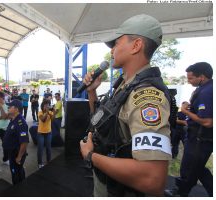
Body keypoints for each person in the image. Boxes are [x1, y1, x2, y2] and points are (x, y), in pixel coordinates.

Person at [80, 14, 174, 196]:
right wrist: (91, 91)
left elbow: (153, 178)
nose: (112, 50)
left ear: (136, 45)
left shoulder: (146, 96)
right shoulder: (126, 84)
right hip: (109, 183)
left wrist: (91, 156)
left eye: (116, 43)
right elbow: (103, 121)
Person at [164, 62, 213, 197]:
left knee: (188, 166)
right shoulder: (205, 89)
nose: (188, 81)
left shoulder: (207, 92)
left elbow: (208, 122)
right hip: (198, 137)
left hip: (200, 138)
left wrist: (185, 111)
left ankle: (181, 192)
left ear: (201, 77)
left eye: (191, 78)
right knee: (198, 168)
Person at [3, 100, 29, 185]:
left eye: (10, 107)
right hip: (12, 152)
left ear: (16, 109)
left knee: (16, 173)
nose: (8, 107)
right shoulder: (13, 119)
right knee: (16, 171)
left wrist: (19, 156)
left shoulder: (21, 123)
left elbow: (24, 142)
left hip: (16, 153)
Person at [37, 99, 54, 169]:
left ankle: (49, 161)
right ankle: (40, 163)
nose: (47, 106)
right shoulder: (40, 112)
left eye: (48, 105)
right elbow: (43, 120)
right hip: (41, 133)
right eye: (45, 105)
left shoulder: (50, 112)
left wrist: (53, 111)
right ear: (42, 106)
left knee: (48, 148)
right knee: (40, 149)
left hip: (49, 133)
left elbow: (53, 119)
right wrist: (47, 112)